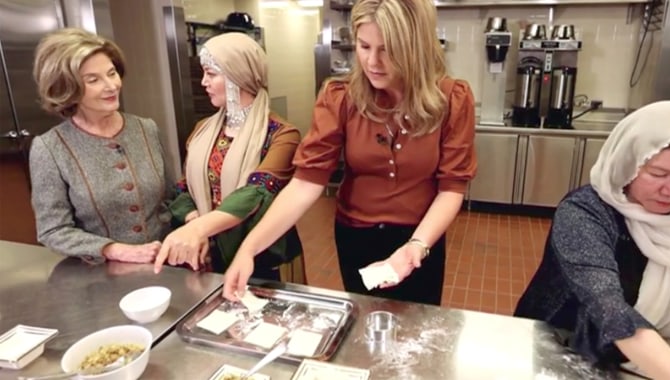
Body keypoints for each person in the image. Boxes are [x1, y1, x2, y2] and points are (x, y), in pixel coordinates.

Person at [222, 0, 477, 305]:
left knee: (418, 330)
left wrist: (417, 246)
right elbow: (305, 184)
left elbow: (451, 188)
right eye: (364, 46)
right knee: (362, 327)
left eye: (388, 49)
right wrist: (249, 248)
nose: (373, 62)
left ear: (416, 46)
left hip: (422, 236)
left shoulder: (451, 99)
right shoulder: (341, 97)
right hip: (356, 236)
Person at [514, 101, 670, 379]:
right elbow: (609, 309)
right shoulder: (584, 213)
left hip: (651, 361)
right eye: (658, 174)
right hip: (563, 352)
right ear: (628, 164)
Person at [153, 32, 304, 284]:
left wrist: (199, 229)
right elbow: (183, 188)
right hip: (206, 254)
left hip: (260, 256)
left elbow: (254, 194)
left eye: (211, 74)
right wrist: (195, 222)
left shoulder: (281, 135)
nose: (203, 82)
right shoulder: (203, 130)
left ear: (238, 76)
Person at [30, 28, 172, 264]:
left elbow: (170, 198)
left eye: (112, 73)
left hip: (166, 267)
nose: (111, 85)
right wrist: (113, 249)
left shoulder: (146, 129)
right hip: (101, 276)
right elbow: (52, 230)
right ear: (66, 87)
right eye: (93, 80)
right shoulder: (49, 148)